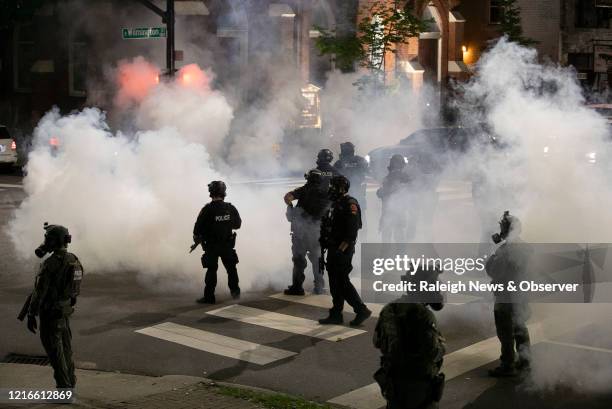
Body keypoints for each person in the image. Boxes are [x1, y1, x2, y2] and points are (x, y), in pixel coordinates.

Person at [22, 223, 83, 389]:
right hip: (64, 312)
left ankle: (64, 390)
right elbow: (74, 290)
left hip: (50, 315)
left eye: (48, 239)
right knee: (66, 352)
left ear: (54, 241)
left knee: (56, 355)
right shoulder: (74, 259)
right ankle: (70, 385)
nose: (45, 242)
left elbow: (39, 292)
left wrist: (31, 314)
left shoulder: (50, 264)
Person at [373, 269, 446, 409]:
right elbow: (431, 352)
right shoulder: (424, 314)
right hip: (418, 384)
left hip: (394, 381)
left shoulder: (390, 308)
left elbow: (377, 341)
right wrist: (442, 346)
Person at [318, 175, 372, 326]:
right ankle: (336, 313)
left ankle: (361, 309)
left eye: (333, 187)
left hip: (343, 250)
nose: (330, 189)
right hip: (333, 247)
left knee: (341, 282)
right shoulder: (334, 203)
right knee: (335, 282)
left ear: (341, 188)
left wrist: (339, 251)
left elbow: (351, 234)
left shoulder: (350, 204)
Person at [485, 211, 533, 377]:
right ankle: (525, 361)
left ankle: (507, 365)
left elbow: (495, 272)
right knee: (520, 328)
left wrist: (491, 255)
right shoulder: (526, 247)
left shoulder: (504, 251)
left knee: (505, 333)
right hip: (520, 295)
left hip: (505, 297)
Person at [193, 181, 242, 304]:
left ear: (211, 193)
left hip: (211, 246)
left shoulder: (207, 209)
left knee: (211, 270)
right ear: (224, 193)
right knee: (231, 269)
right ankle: (236, 294)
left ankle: (209, 297)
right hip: (227, 245)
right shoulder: (230, 208)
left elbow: (197, 230)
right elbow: (238, 225)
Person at [283, 169, 329, 295]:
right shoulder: (326, 193)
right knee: (317, 260)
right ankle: (319, 287)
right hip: (317, 233)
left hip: (300, 233)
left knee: (299, 260)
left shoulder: (303, 190)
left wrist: (291, 208)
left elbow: (287, 197)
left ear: (308, 179)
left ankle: (297, 288)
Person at [376, 154, 412, 243]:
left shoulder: (389, 177)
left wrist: (381, 192)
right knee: (397, 235)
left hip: (391, 210)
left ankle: (387, 255)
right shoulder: (405, 177)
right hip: (396, 211)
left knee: (388, 235)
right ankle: (399, 255)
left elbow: (383, 193)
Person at [334, 142, 369, 223]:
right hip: (358, 192)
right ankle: (363, 233)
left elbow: (333, 175)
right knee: (361, 214)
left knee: (342, 215)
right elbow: (367, 170)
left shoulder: (339, 163)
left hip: (344, 194)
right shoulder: (360, 160)